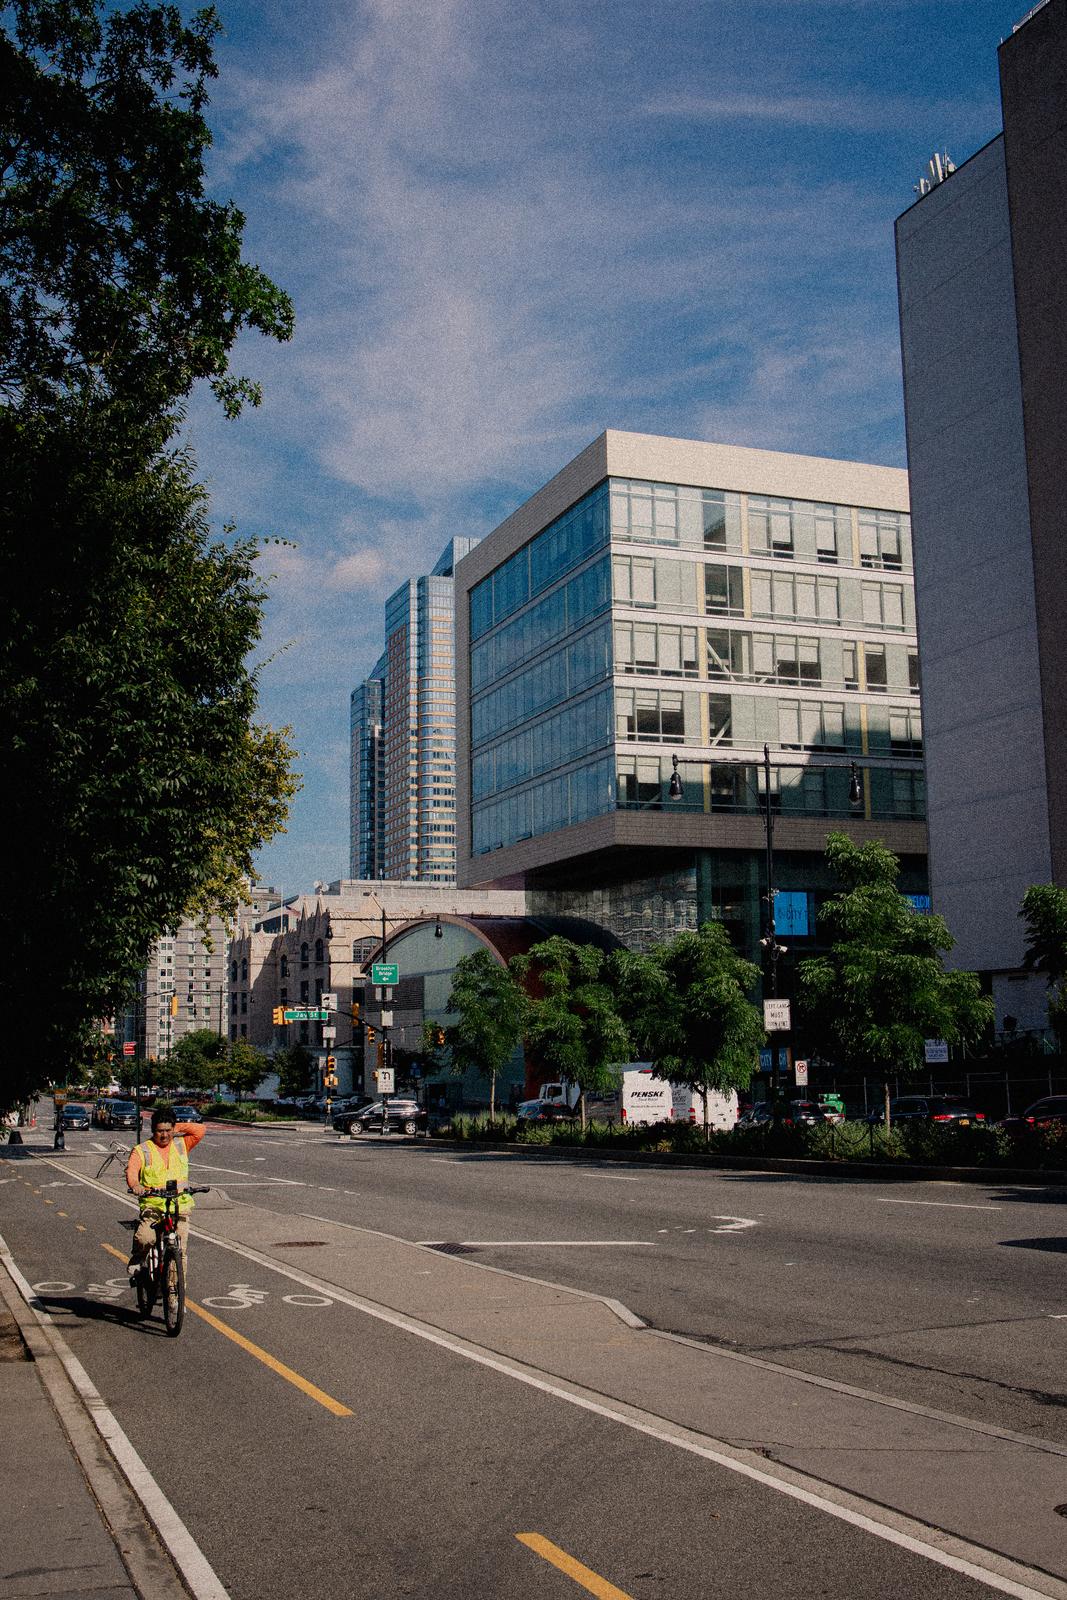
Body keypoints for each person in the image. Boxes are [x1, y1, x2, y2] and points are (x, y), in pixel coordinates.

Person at [125, 1107, 206, 1279]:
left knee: (180, 1249)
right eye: (160, 1131)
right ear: (153, 1130)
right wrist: (135, 1185)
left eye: (168, 1131)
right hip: (153, 1205)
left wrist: (177, 1127)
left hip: (179, 1205)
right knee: (145, 1238)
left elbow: (200, 1130)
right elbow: (132, 1172)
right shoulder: (142, 1150)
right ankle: (139, 1257)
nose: (164, 1135)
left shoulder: (181, 1144)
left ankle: (175, 1295)